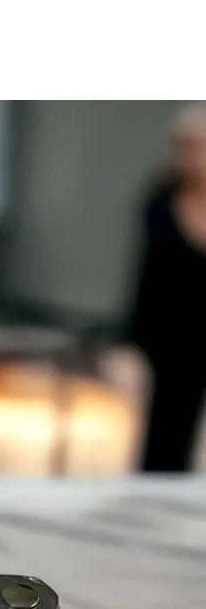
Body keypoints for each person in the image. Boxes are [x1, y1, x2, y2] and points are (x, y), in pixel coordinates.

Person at [129, 104, 206, 471]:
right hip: (167, 337)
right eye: (183, 146)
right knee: (161, 429)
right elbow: (148, 277)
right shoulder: (162, 199)